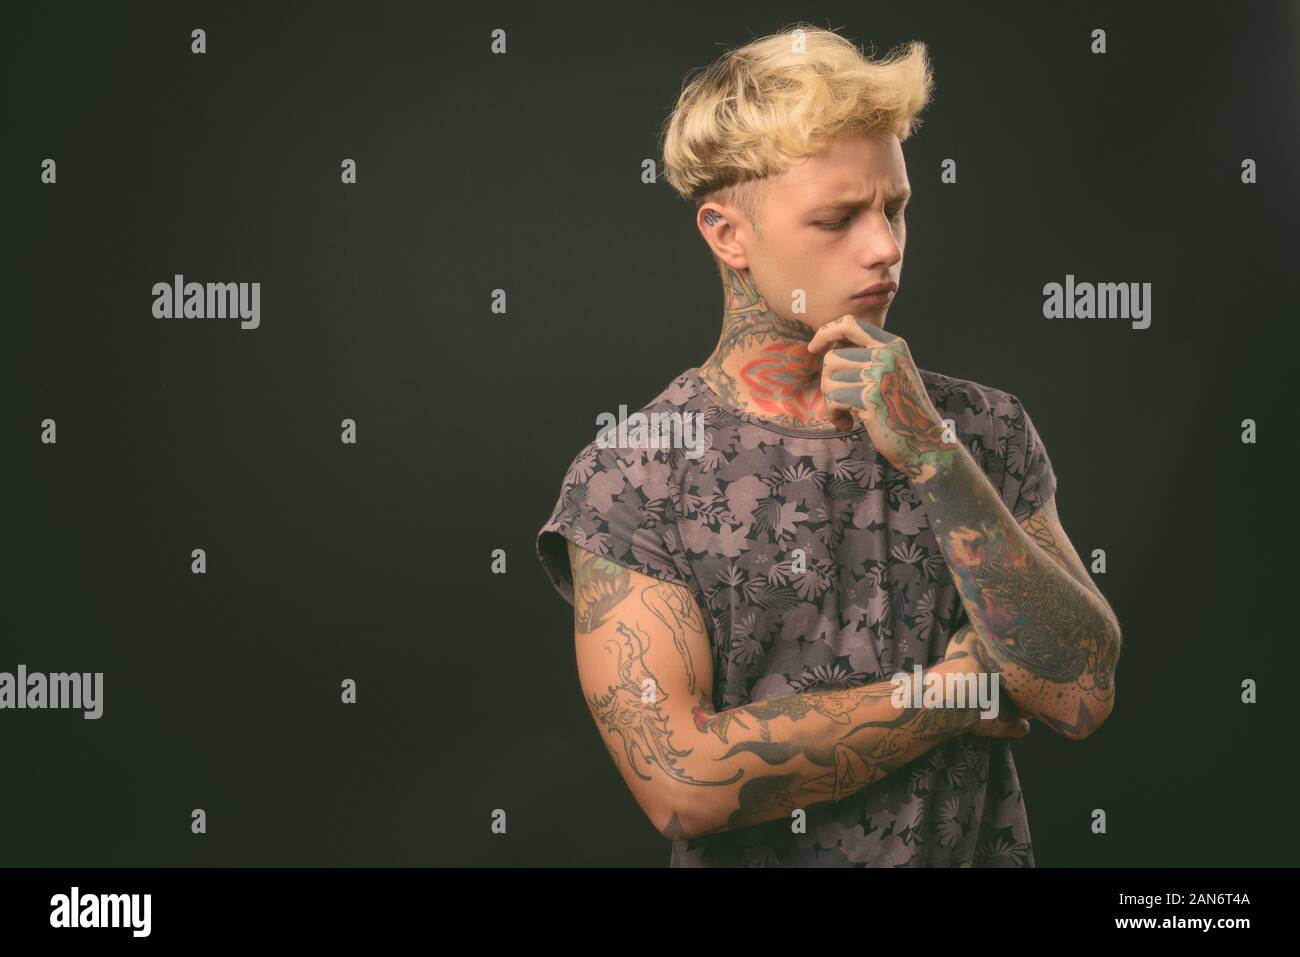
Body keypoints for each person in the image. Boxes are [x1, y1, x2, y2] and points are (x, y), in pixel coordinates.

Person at [535, 24, 1121, 867]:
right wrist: (956, 692)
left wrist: (934, 457)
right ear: (728, 234)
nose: (884, 247)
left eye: (896, 207)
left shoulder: (982, 429)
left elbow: (1079, 692)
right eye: (838, 218)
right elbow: (683, 785)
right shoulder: (632, 476)